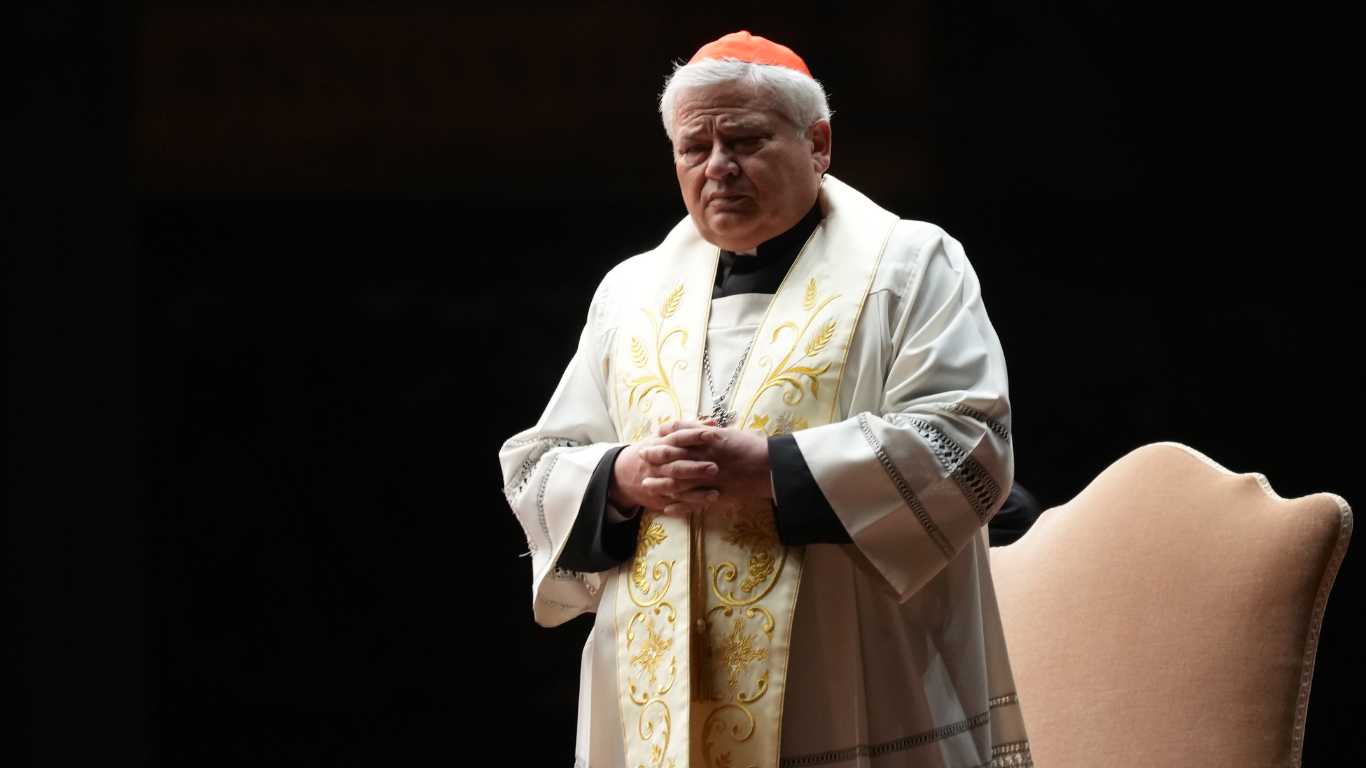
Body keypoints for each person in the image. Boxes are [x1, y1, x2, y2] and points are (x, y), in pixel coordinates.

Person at [500, 31, 1033, 768]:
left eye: (745, 141)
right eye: (694, 148)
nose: (718, 167)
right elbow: (537, 465)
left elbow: (967, 443)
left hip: (849, 680)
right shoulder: (631, 293)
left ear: (818, 144)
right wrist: (623, 477)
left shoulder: (909, 264)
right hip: (662, 699)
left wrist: (774, 469)